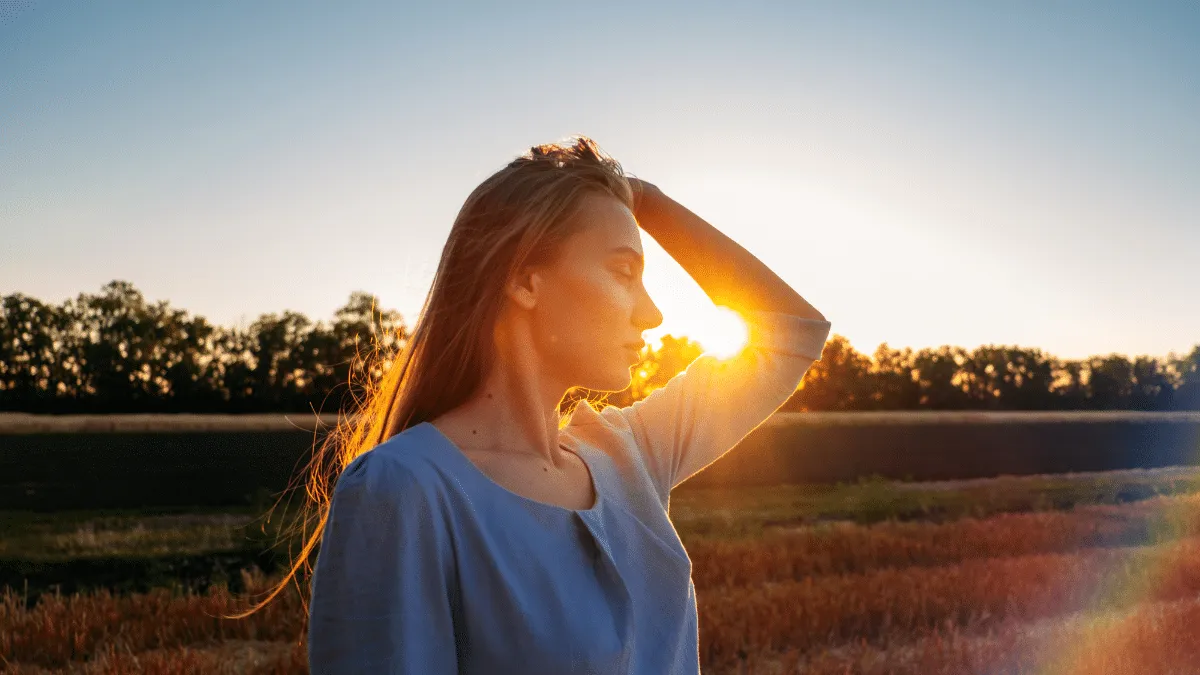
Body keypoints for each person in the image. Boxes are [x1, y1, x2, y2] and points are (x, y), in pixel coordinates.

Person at [302, 136, 831, 673]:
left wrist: (644, 201)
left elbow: (792, 332)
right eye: (624, 272)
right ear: (524, 279)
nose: (652, 314)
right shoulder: (405, 488)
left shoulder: (629, 456)